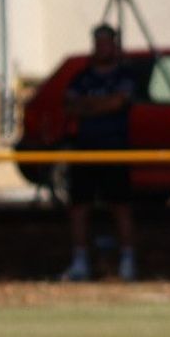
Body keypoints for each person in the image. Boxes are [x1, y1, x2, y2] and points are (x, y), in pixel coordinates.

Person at [58, 24, 137, 282]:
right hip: (85, 149)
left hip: (115, 149)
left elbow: (119, 102)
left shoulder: (124, 75)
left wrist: (89, 105)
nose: (102, 47)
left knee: (120, 205)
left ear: (114, 45)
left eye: (106, 42)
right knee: (79, 205)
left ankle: (127, 261)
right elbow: (70, 107)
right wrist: (102, 105)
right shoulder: (82, 77)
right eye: (98, 42)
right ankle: (80, 261)